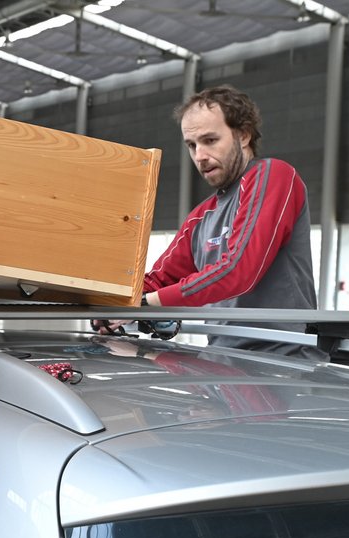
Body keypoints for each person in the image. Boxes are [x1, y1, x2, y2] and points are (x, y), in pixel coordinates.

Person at [99, 85, 323, 359]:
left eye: (210, 140)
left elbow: (238, 271)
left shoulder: (273, 175)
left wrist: (148, 303)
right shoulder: (202, 215)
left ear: (243, 135)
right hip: (222, 361)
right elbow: (159, 279)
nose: (200, 156)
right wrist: (112, 306)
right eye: (192, 145)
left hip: (283, 362)